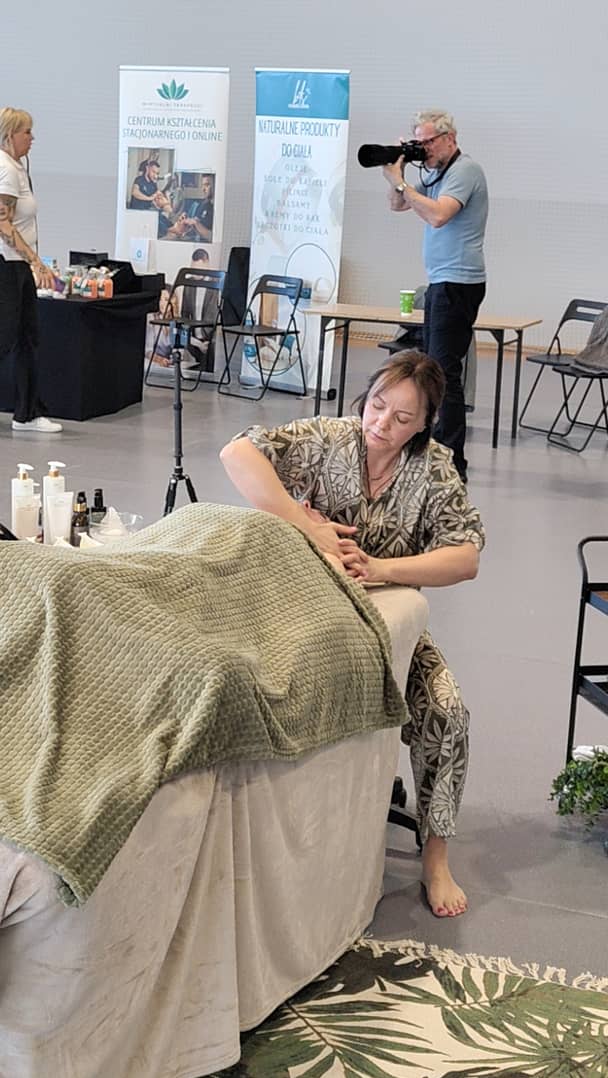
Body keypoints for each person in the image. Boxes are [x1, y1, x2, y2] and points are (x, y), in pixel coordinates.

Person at [220, 350, 485, 918]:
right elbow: (237, 453)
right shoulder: (329, 438)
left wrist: (382, 568)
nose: (381, 423)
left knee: (446, 713)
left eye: (402, 418)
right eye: (377, 405)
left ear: (424, 424)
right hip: (303, 613)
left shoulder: (434, 470)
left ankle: (436, 858)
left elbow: (465, 557)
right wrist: (305, 524)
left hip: (388, 624)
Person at [382, 110, 488, 483]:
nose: (423, 148)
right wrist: (398, 173)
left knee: (444, 371)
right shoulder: (435, 174)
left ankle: (452, 461)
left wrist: (401, 184)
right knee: (436, 368)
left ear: (450, 138)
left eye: (428, 142)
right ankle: (436, 450)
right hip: (442, 282)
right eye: (419, 142)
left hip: (458, 283)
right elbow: (398, 204)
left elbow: (439, 215)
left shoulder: (465, 171)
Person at [0, 106, 62, 433]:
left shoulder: (18, 168)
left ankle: (27, 413)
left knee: (27, 337)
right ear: (10, 135)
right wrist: (36, 261)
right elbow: (2, 223)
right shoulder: (6, 169)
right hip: (6, 266)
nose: (32, 138)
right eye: (27, 132)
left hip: (18, 265)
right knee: (6, 337)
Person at [182, 175, 214, 242]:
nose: (203, 189)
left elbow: (213, 237)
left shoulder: (218, 209)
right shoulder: (203, 204)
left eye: (207, 185)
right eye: (203, 185)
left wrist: (195, 223)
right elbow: (196, 223)